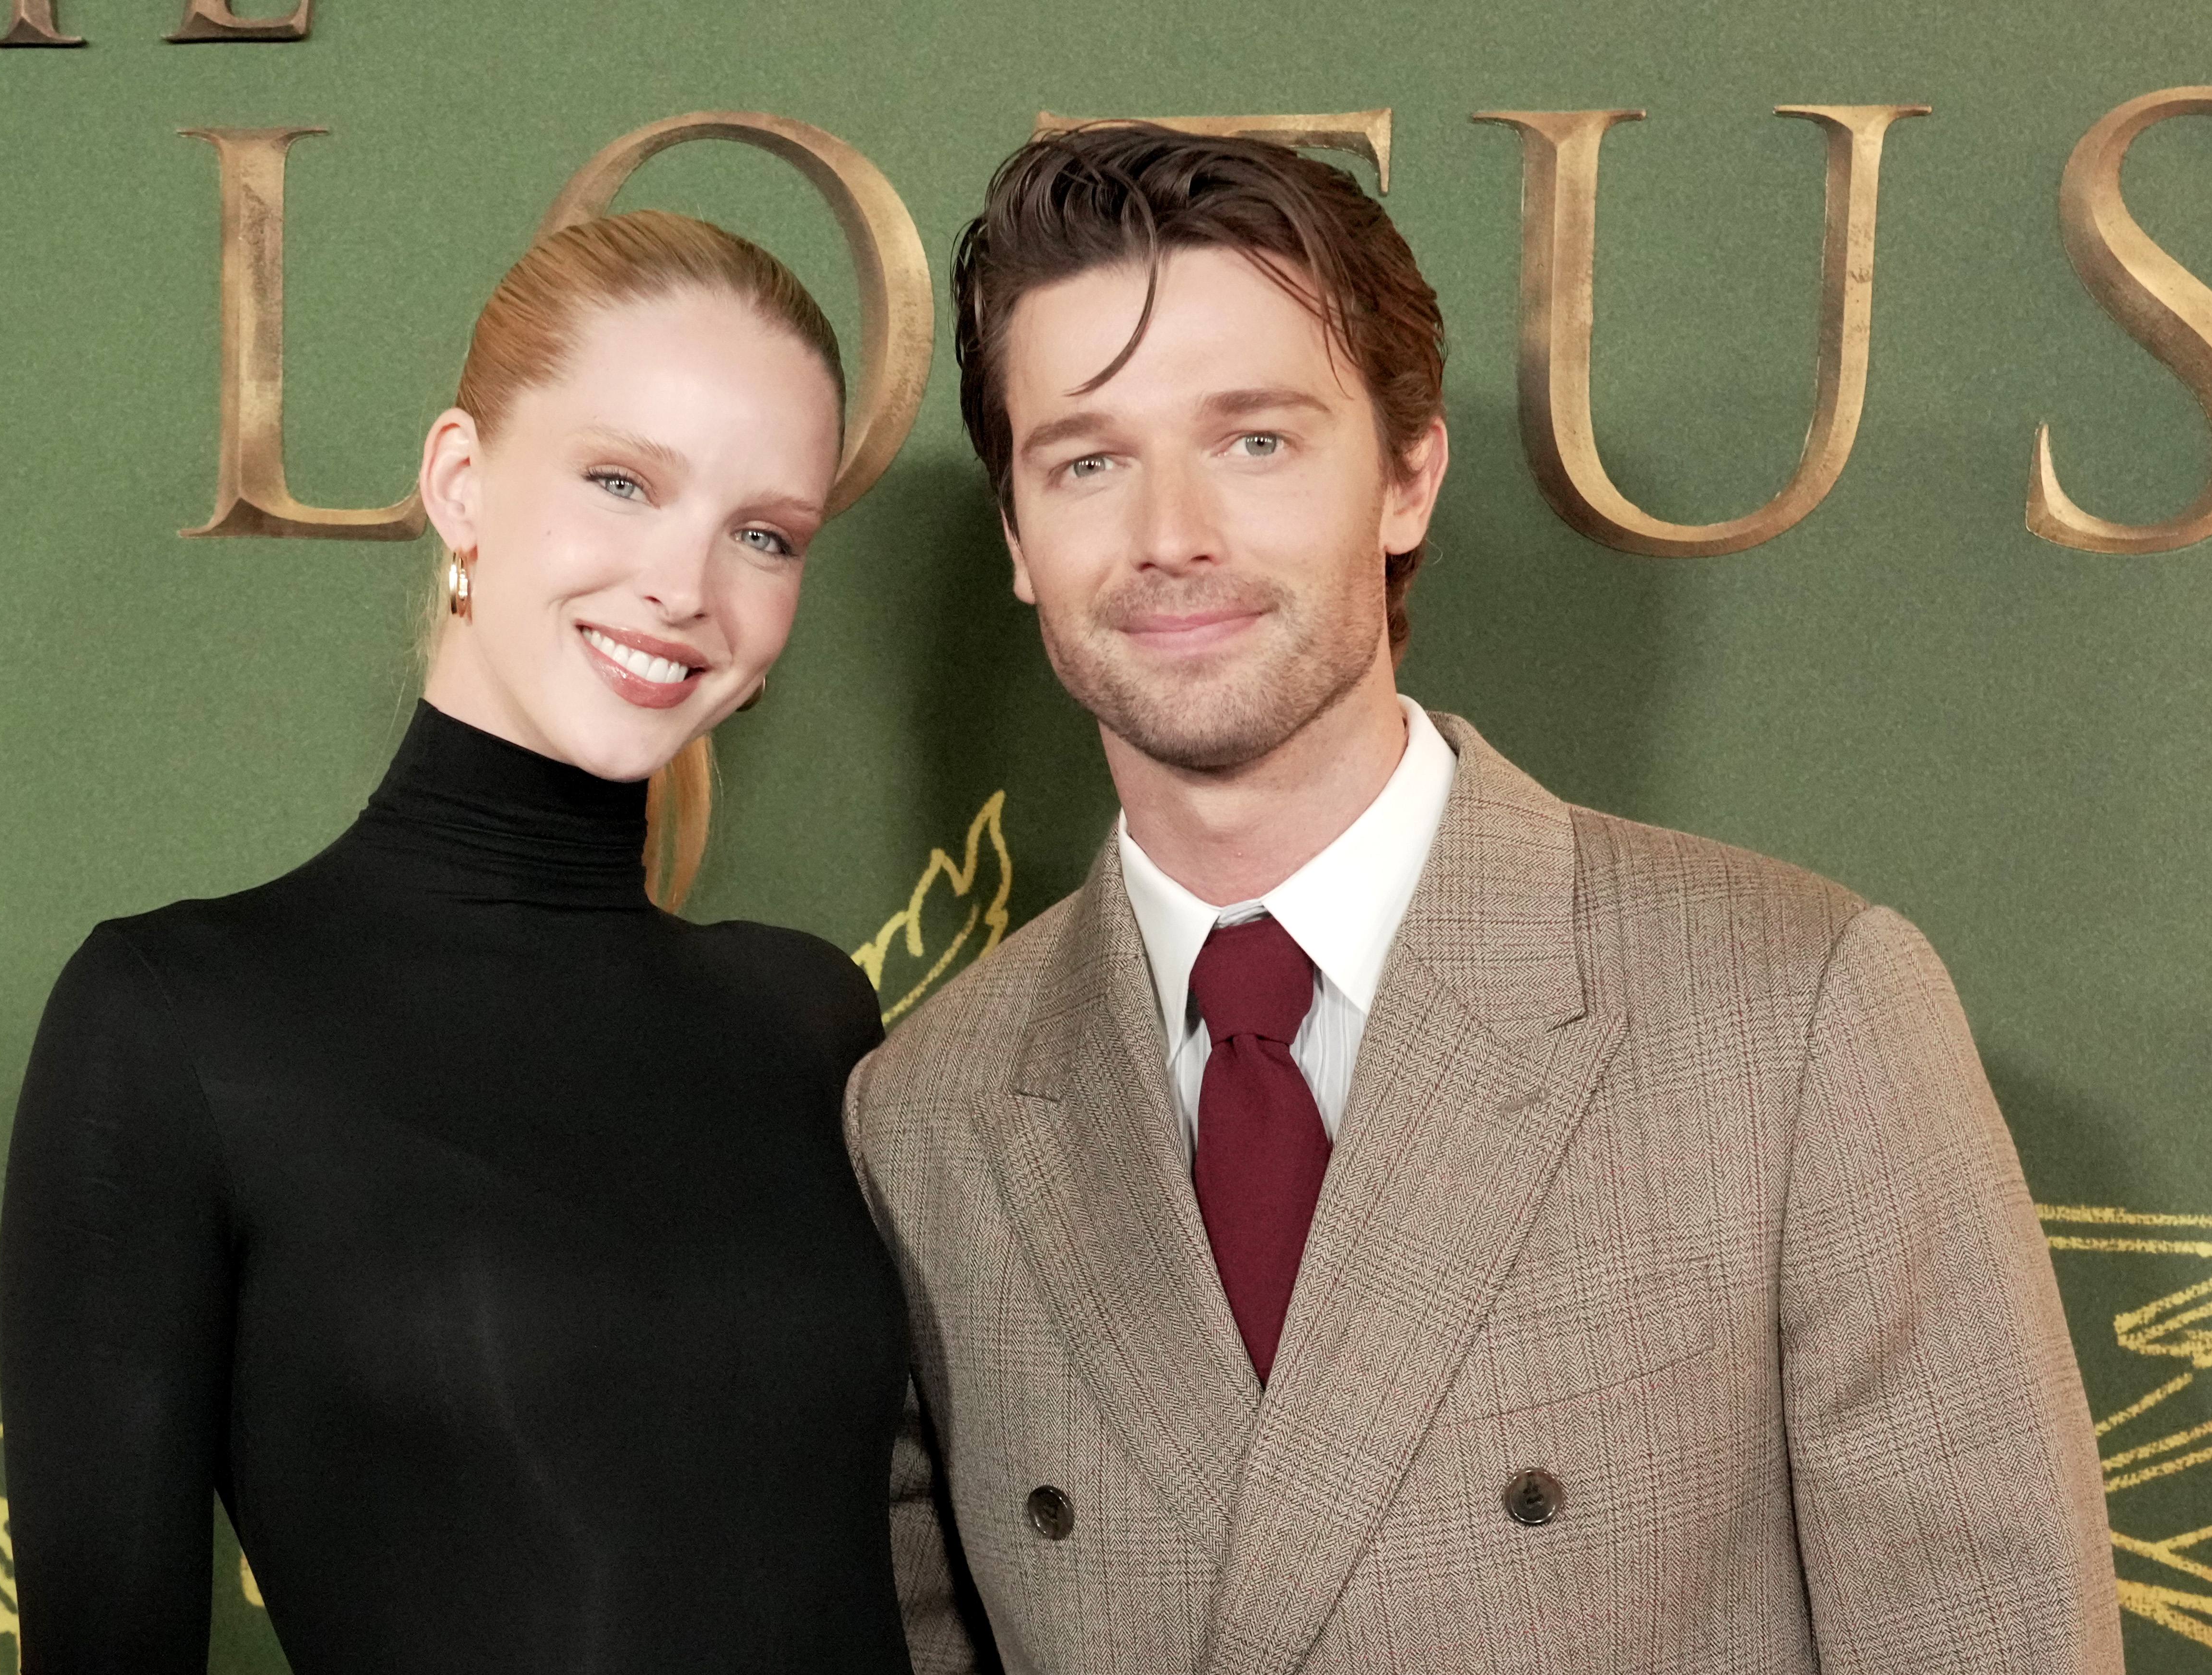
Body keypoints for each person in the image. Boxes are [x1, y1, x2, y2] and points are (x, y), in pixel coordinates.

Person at [848, 125, 2121, 1674]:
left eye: (1254, 440)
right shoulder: (927, 1113)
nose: (1168, 531)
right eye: (1088, 459)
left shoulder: (1797, 1015)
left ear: (1405, 476)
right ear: (1017, 540)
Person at [0, 210, 913, 1675]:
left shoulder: (807, 1017)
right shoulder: (177, 1024)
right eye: (622, 481)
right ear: (461, 482)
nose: (686, 584)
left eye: (763, 533)